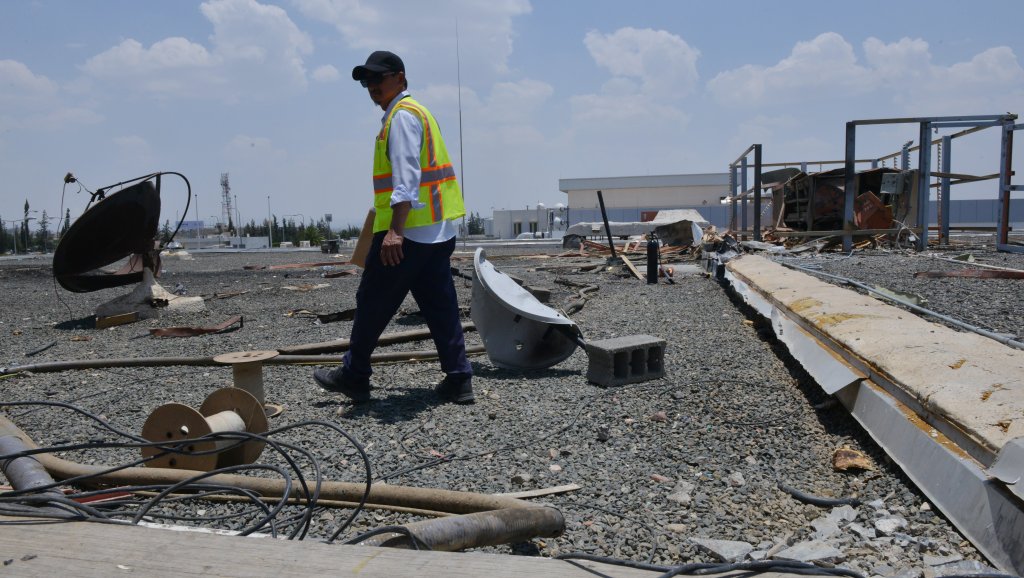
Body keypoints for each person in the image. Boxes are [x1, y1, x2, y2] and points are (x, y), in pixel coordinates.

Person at [313, 50, 474, 404]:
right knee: (440, 306)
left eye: (378, 79)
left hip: (409, 236)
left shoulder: (401, 118)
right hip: (437, 232)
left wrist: (395, 232)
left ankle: (354, 375)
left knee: (372, 302)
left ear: (400, 78)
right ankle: (460, 378)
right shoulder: (420, 112)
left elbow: (406, 180)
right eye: (367, 82)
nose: (372, 86)